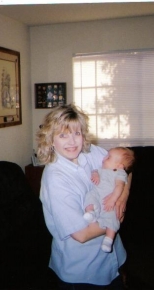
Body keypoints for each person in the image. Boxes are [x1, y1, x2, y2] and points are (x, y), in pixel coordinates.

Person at [36, 104, 132, 289]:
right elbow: (81, 234)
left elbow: (125, 168)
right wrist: (115, 218)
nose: (72, 142)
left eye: (76, 133)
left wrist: (122, 198)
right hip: (84, 272)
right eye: (63, 135)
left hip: (114, 260)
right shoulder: (55, 179)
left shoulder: (90, 152)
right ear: (50, 140)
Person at [83, 147, 135, 253]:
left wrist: (113, 199)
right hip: (98, 194)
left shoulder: (119, 173)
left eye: (108, 157)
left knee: (113, 217)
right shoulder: (102, 169)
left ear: (119, 166)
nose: (104, 158)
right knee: (89, 196)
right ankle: (91, 213)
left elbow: (119, 187)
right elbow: (94, 171)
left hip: (109, 200)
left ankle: (108, 239)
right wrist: (95, 175)